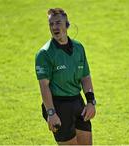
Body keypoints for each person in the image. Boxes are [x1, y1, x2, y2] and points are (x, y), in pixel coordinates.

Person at [35, 8, 96, 145]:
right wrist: (51, 113)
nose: (54, 27)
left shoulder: (78, 48)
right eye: (51, 24)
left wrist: (91, 102)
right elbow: (44, 86)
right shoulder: (45, 54)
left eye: (58, 23)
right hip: (58, 106)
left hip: (77, 103)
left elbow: (85, 76)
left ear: (66, 24)